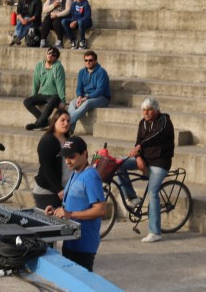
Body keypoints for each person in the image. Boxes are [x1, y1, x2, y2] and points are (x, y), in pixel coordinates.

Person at [116, 98, 175, 243]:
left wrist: (140, 147)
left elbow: (156, 136)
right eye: (144, 110)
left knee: (152, 192)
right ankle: (133, 197)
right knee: (119, 164)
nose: (146, 113)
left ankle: (155, 232)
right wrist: (138, 158)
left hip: (160, 162)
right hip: (145, 159)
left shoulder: (165, 121)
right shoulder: (142, 123)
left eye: (149, 110)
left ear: (156, 110)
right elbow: (138, 141)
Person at [46, 136, 106, 271]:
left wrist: (70, 214)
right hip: (71, 242)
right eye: (65, 157)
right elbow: (73, 204)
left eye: (71, 156)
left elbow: (100, 210)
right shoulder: (76, 172)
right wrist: (57, 211)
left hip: (83, 245)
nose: (67, 161)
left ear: (84, 154)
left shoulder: (91, 177)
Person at [33, 109, 71, 209]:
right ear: (55, 121)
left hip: (63, 190)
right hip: (48, 192)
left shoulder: (68, 140)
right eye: (62, 120)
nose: (66, 123)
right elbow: (47, 168)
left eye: (68, 121)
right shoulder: (47, 141)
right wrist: (58, 189)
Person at [66, 50, 111, 134]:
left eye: (90, 60)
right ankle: (69, 131)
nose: (88, 62)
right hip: (85, 97)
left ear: (95, 61)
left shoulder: (101, 72)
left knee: (87, 103)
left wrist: (85, 98)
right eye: (86, 60)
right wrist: (80, 97)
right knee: (72, 103)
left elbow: (99, 91)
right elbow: (79, 88)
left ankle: (66, 123)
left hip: (102, 98)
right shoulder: (82, 72)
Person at [23, 46, 65, 130]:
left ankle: (38, 124)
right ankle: (44, 121)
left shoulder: (58, 67)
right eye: (49, 53)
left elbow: (60, 84)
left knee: (53, 100)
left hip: (54, 95)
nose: (50, 55)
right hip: (42, 94)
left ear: (56, 58)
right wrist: (33, 96)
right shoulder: (39, 66)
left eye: (53, 55)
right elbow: (36, 82)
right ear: (46, 54)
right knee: (27, 101)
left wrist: (63, 101)